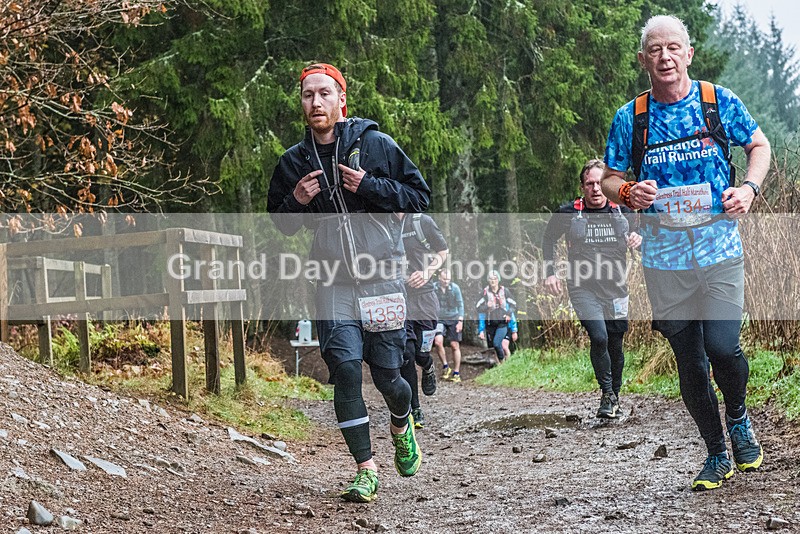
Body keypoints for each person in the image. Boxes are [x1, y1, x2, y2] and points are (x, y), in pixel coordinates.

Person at [601, 16, 770, 491]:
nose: (665, 57)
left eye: (674, 48)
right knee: (691, 362)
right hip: (663, 260)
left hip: (719, 250)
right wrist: (628, 191)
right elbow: (611, 178)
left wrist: (750, 190)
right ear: (643, 60)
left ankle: (738, 418)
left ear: (689, 54)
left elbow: (759, 144)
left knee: (722, 348)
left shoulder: (717, 101)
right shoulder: (630, 117)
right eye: (655, 50)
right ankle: (716, 452)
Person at [267, 63, 431, 502]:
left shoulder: (376, 145)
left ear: (342, 100)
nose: (315, 102)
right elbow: (279, 224)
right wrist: (297, 201)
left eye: (324, 94)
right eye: (307, 95)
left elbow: (420, 197)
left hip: (382, 276)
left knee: (389, 377)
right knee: (343, 371)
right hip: (332, 281)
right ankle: (365, 469)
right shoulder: (293, 161)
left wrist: (371, 186)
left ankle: (402, 424)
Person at [542, 159, 642, 419]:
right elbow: (548, 240)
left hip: (616, 288)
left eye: (599, 183)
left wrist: (638, 239)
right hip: (582, 287)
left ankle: (614, 397)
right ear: (582, 186)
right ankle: (607, 393)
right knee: (599, 336)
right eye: (590, 184)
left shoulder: (624, 211)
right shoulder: (568, 213)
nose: (596, 189)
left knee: (616, 344)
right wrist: (550, 273)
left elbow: (644, 239)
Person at [399, 213, 448, 428]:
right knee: (406, 354)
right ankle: (414, 408)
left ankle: (428, 366)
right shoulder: (382, 223)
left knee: (420, 353)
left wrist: (427, 272)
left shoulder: (420, 222)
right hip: (399, 298)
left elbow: (443, 251)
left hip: (426, 296)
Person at [476, 271, 518, 366]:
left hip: (502, 323)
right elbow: (478, 308)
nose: (493, 281)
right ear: (488, 280)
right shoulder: (484, 293)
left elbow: (513, 305)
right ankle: (501, 367)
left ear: (498, 280)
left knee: (497, 343)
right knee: (495, 347)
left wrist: (508, 314)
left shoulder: (505, 291)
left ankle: (503, 363)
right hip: (490, 324)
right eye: (491, 279)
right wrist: (487, 306)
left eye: (495, 278)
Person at [433, 269, 465, 382]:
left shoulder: (455, 288)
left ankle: (456, 372)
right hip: (439, 319)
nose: (446, 281)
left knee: (454, 345)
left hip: (453, 318)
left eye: (448, 279)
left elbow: (460, 305)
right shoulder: (434, 288)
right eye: (444, 279)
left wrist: (460, 321)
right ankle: (445, 366)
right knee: (438, 341)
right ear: (439, 278)